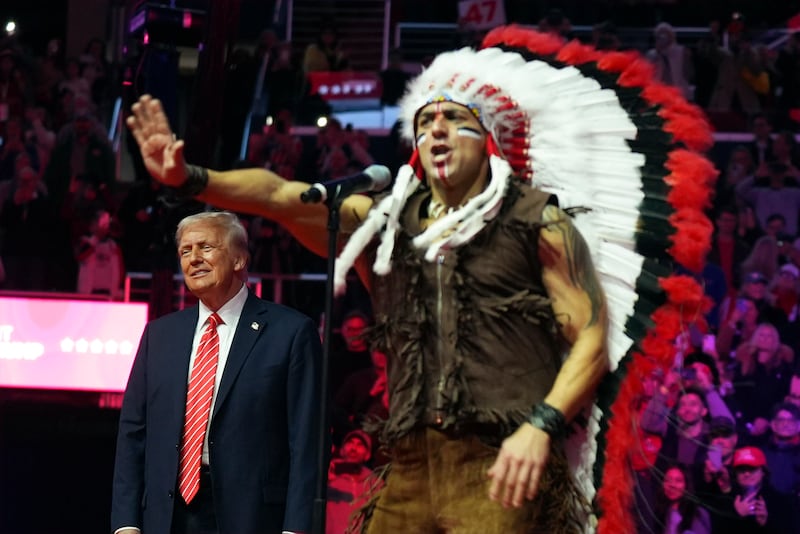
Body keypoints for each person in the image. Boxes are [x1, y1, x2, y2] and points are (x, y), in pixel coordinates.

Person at [126, 25, 716, 533]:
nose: (434, 129)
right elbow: (282, 197)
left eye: (453, 121)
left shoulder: (538, 219)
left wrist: (542, 426)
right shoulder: (381, 222)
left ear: (487, 142)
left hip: (500, 460)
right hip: (408, 463)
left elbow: (589, 337)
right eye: (425, 120)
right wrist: (192, 178)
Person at [111, 211, 324, 534]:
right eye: (185, 250)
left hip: (252, 517)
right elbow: (133, 434)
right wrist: (126, 523)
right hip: (165, 517)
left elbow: (308, 441)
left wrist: (296, 528)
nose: (194, 258)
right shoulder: (159, 335)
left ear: (239, 259)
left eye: (206, 247)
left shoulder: (291, 333)